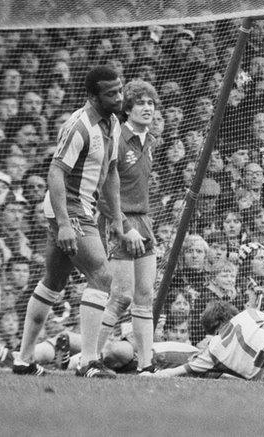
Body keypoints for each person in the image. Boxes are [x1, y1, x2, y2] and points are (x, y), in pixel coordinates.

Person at [13, 65, 143, 378]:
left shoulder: (112, 123)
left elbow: (110, 173)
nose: (118, 97)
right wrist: (65, 223)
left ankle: (23, 360)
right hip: (69, 208)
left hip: (82, 209)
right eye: (111, 93)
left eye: (120, 90)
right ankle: (88, 361)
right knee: (101, 275)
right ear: (92, 96)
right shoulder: (79, 125)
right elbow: (56, 172)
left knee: (53, 282)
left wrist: (119, 222)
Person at [96, 79, 160, 373]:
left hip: (143, 221)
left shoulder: (151, 141)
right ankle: (90, 357)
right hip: (119, 221)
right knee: (121, 295)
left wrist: (138, 225)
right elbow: (103, 193)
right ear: (128, 108)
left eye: (151, 103)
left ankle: (146, 365)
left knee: (145, 295)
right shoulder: (117, 139)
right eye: (141, 103)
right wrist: (122, 226)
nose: (147, 108)